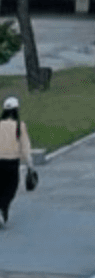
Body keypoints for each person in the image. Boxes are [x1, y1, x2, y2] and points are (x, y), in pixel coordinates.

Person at [0, 97, 33, 227]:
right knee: (11, 188)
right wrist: (30, 165)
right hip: (12, 163)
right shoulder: (20, 126)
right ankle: (2, 209)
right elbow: (25, 147)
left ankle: (2, 212)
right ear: (16, 110)